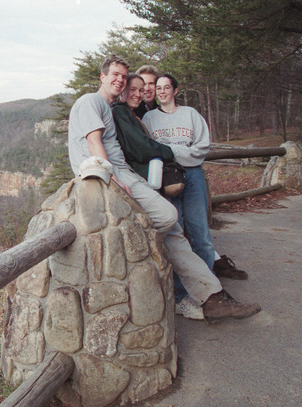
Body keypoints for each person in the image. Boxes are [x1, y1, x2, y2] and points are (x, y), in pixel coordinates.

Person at [68, 55, 260, 324]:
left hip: (126, 174)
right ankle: (140, 251)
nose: (120, 80)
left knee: (174, 231)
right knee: (168, 217)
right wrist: (110, 176)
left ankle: (211, 297)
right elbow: (93, 141)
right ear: (102, 76)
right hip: (114, 176)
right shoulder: (91, 101)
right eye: (115, 75)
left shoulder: (112, 108)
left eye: (123, 76)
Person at [142, 74, 248, 280]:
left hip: (192, 175)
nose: (162, 92)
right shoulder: (149, 119)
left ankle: (209, 284)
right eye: (159, 88)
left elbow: (201, 148)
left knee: (200, 231)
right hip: (166, 177)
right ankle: (183, 285)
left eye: (166, 87)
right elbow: (149, 149)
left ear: (175, 91)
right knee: (176, 231)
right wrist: (176, 153)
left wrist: (169, 151)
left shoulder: (191, 114)